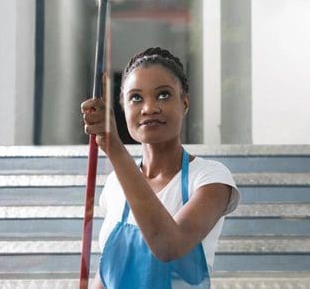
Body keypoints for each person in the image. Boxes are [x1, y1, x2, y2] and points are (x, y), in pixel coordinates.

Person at [81, 47, 240, 289]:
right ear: (122, 108)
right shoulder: (115, 184)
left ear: (184, 102)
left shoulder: (211, 179)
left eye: (163, 95)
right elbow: (109, 275)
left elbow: (168, 246)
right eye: (136, 98)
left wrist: (114, 147)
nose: (149, 108)